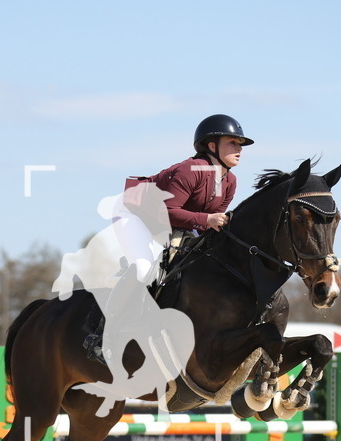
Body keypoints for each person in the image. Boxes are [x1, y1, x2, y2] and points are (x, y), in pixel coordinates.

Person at [81, 115, 254, 367]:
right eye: (232, 142)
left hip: (174, 221)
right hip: (135, 213)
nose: (239, 149)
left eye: (240, 144)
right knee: (143, 267)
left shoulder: (230, 181)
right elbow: (170, 211)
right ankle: (100, 335)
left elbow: (211, 222)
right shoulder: (189, 170)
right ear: (211, 146)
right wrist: (206, 220)